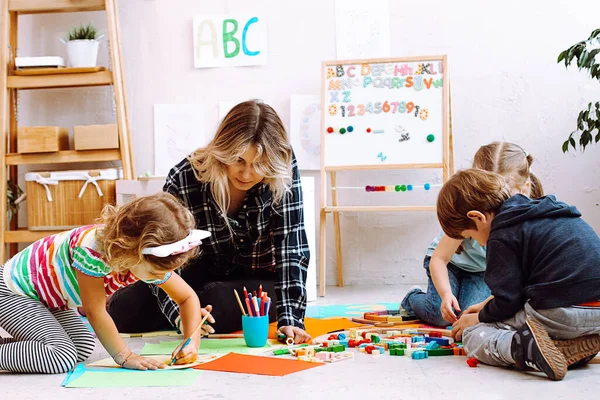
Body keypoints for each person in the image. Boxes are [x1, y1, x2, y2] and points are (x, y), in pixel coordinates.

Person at [108, 100, 311, 343]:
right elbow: (165, 255)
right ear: (222, 150)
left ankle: (197, 308)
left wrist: (291, 319)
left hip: (258, 281)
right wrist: (179, 314)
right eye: (238, 160)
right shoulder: (185, 176)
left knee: (215, 302)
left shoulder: (284, 167)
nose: (247, 174)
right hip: (199, 272)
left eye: (259, 165)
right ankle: (192, 309)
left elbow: (291, 246)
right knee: (122, 311)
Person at [0, 192, 211, 373]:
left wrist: (191, 342)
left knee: (82, 346)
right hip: (14, 291)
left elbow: (186, 297)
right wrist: (125, 356)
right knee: (61, 356)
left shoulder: (146, 260)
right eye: (156, 272)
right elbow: (95, 311)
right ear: (133, 250)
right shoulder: (92, 251)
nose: (161, 277)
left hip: (48, 299)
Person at [437, 168, 600, 381]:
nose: (478, 243)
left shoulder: (501, 234)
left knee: (474, 334)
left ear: (477, 217)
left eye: (470, 236)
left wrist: (478, 318)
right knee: (526, 316)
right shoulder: (541, 211)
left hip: (561, 313)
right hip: (595, 314)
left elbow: (508, 303)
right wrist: (488, 303)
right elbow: (528, 283)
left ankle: (524, 349)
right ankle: (564, 348)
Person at [401, 142, 544, 326]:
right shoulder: (472, 212)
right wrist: (446, 294)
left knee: (466, 316)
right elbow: (439, 259)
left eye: (502, 195)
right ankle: (411, 298)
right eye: (488, 192)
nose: (494, 202)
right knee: (439, 314)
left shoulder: (528, 219)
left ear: (524, 189)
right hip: (451, 264)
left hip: (481, 272)